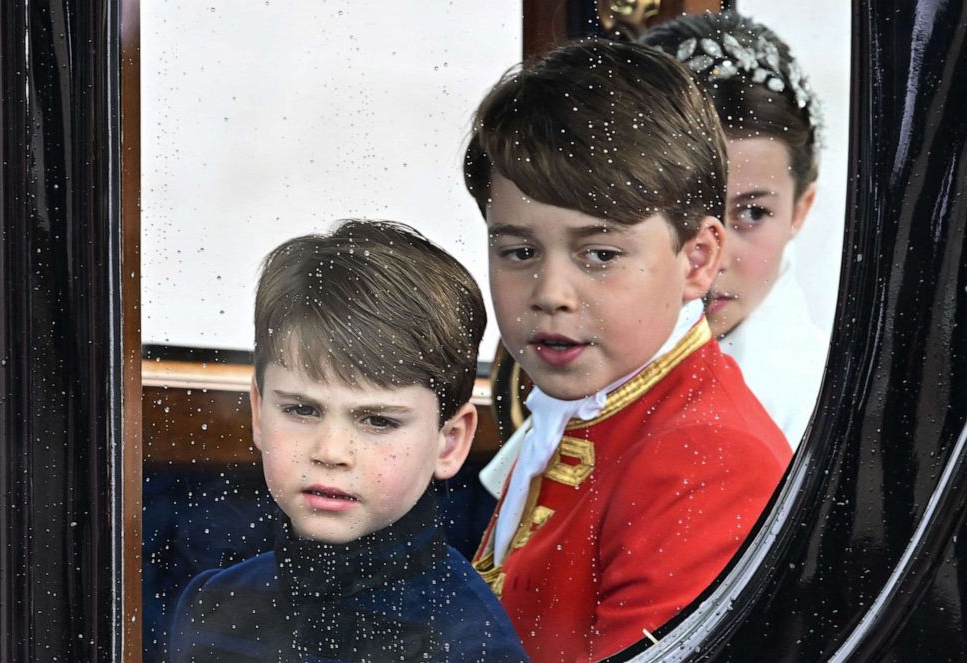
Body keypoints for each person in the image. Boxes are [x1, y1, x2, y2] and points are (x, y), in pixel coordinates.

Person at [464, 39, 792, 661]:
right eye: (518, 252)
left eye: (600, 254)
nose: (551, 294)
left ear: (697, 260)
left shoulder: (708, 462)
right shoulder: (590, 401)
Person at [168, 220, 528, 662]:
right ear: (259, 411)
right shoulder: (212, 606)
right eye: (301, 410)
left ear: (449, 441)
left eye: (377, 420)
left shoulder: (468, 644)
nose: (330, 452)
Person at [642, 12, 830, 450]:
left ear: (800, 210)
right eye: (678, 209)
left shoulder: (826, 407)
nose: (714, 257)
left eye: (753, 213)